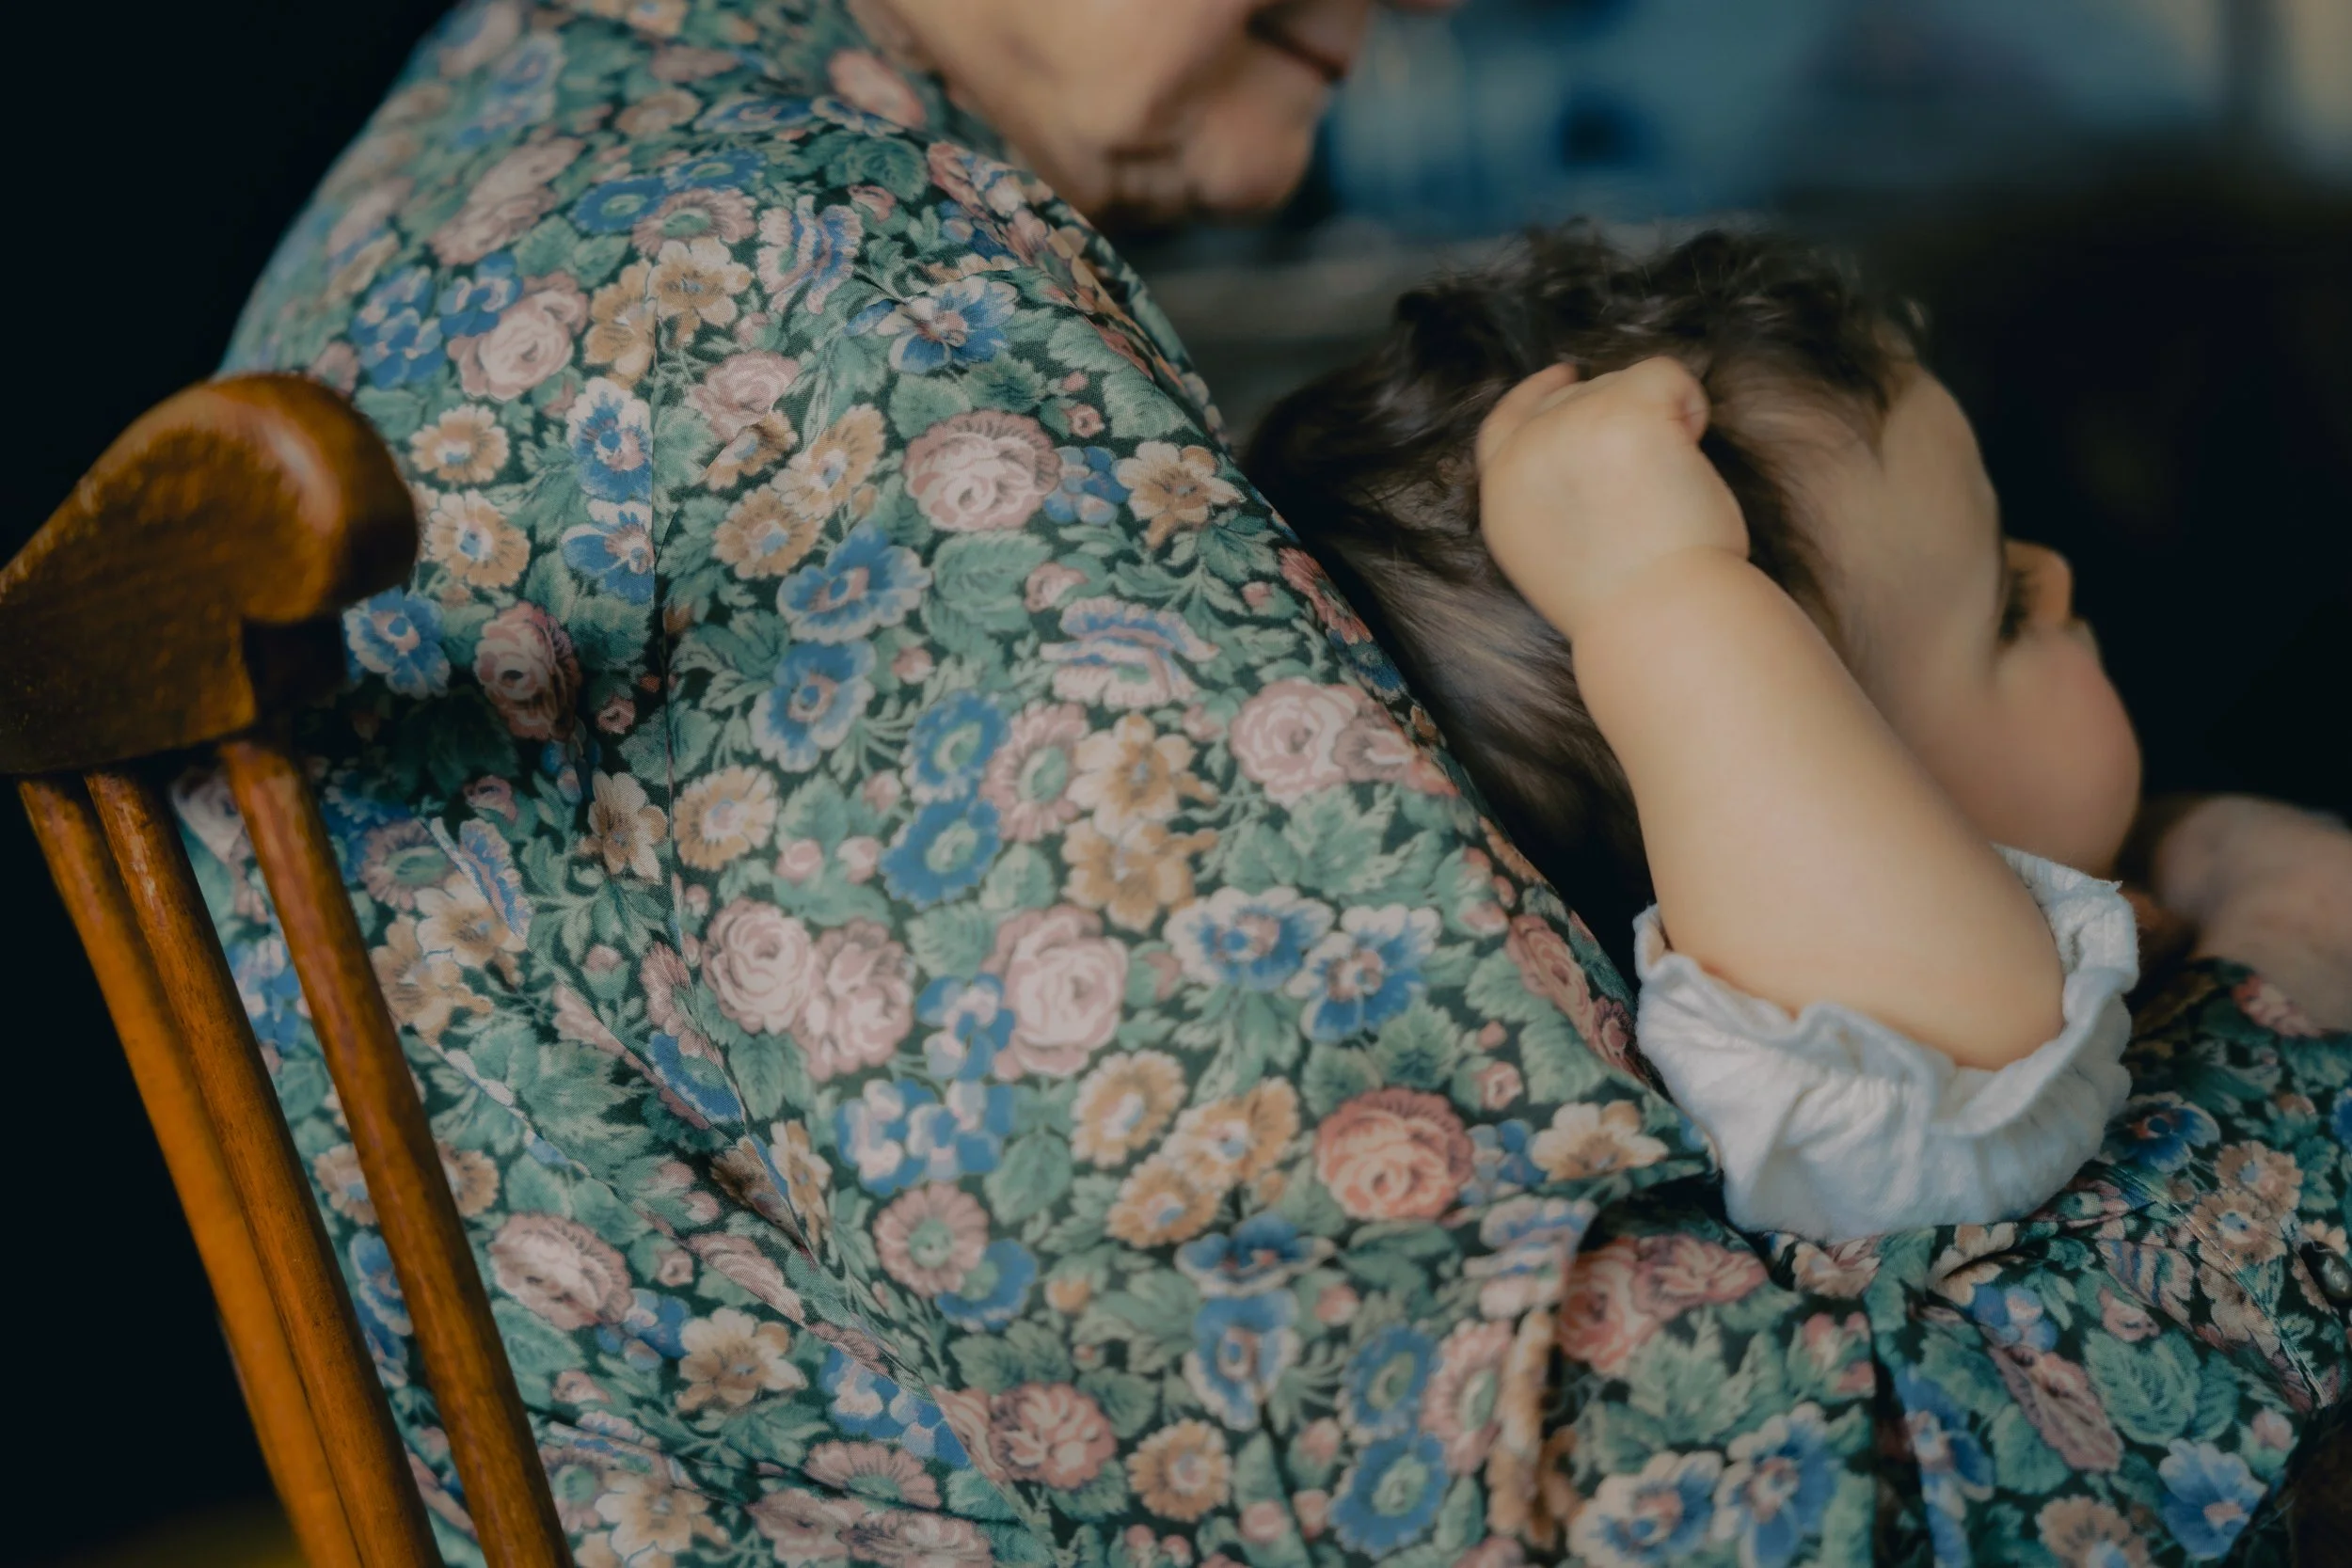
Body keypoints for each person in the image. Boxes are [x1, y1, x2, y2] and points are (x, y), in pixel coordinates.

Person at [192, 3, 2351, 1564]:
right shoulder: (829, 326)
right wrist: (2286, 1002)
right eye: (2001, 607)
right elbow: (1711, 1508)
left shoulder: (527, 143)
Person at [1246, 228, 2352, 1243]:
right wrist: (1659, 591)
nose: (2057, 572)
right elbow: (1950, 1051)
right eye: (2005, 612)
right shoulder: (1850, 1069)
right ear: (1819, 819)